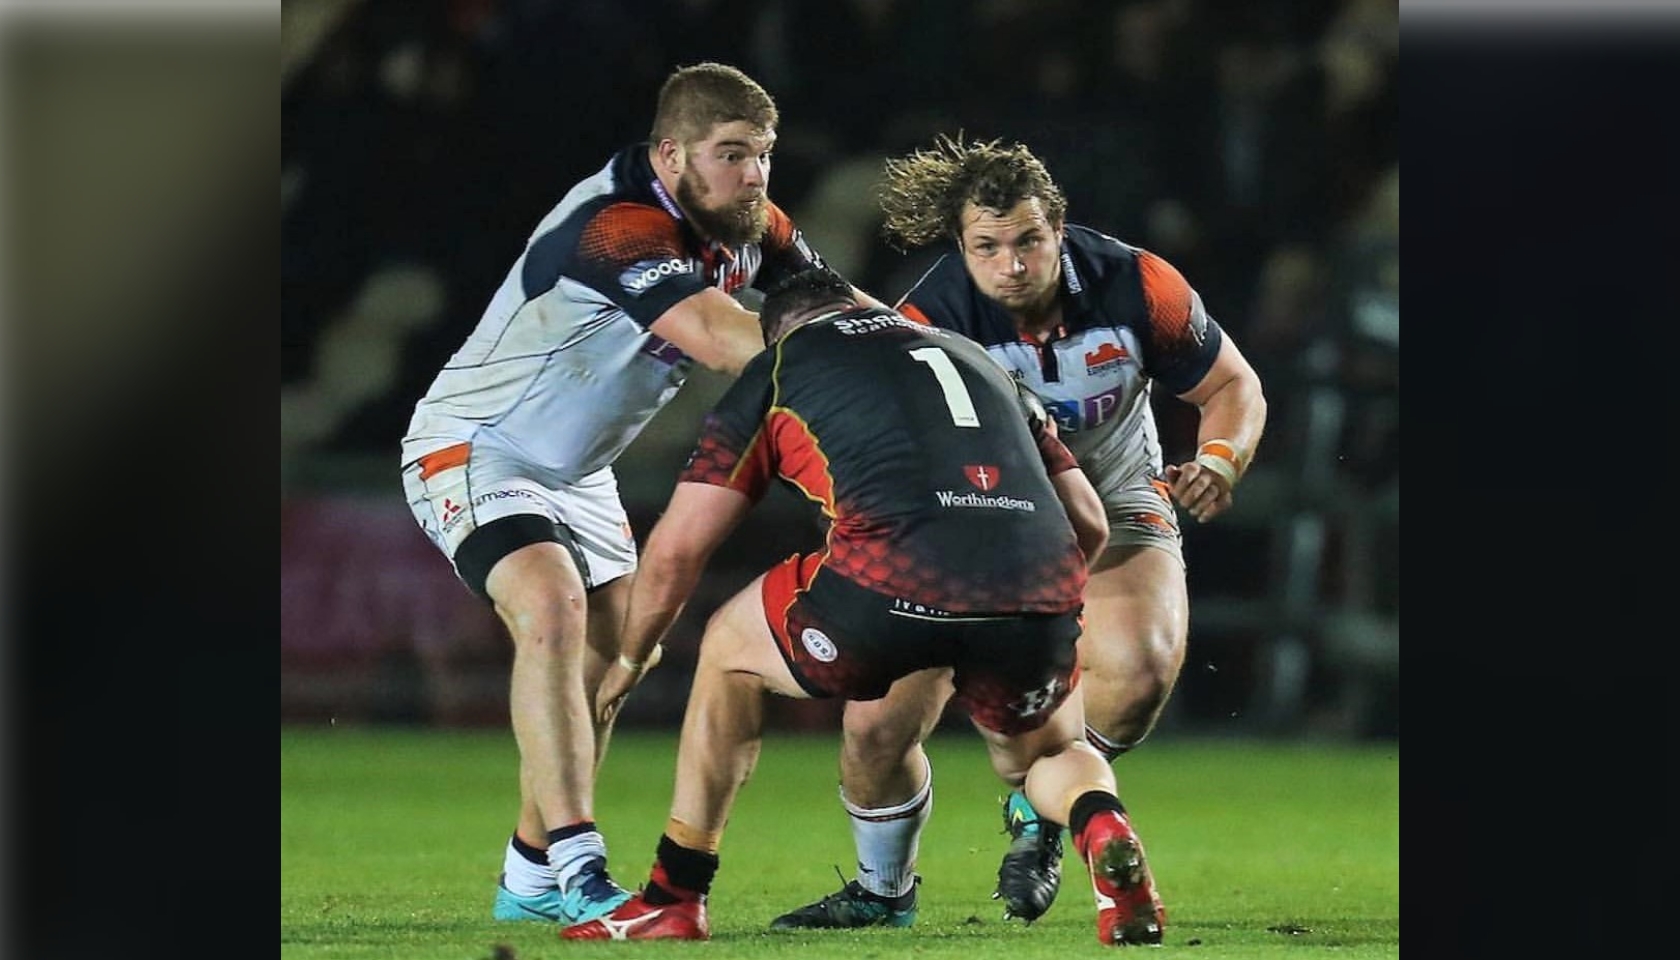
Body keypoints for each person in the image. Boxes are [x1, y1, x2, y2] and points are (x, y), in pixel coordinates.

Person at [398, 62, 874, 927]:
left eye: (763, 154)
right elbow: (719, 336)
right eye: (731, 154)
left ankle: (530, 875)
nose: (755, 175)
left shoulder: (749, 221)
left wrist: (940, 360)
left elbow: (840, 305)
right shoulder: (615, 224)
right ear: (672, 154)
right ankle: (582, 867)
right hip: (478, 444)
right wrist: (851, 364)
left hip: (578, 471)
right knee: (548, 607)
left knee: (620, 656)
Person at [561, 267, 1161, 946]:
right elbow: (1089, 521)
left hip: (894, 576)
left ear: (778, 329)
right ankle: (1102, 824)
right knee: (1052, 753)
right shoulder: (974, 357)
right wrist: (1018, 601)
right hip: (1038, 574)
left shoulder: (779, 367)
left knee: (730, 650)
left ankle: (675, 896)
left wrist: (633, 654)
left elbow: (677, 549)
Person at [771, 135, 1267, 934]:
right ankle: (882, 889)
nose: (1011, 265)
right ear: (962, 248)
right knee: (875, 727)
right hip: (969, 522)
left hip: (1112, 492)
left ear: (1059, 231)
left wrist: (1221, 456)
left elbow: (1233, 384)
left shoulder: (1137, 285)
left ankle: (1039, 810)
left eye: (1029, 241)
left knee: (1140, 670)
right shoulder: (926, 321)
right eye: (987, 247)